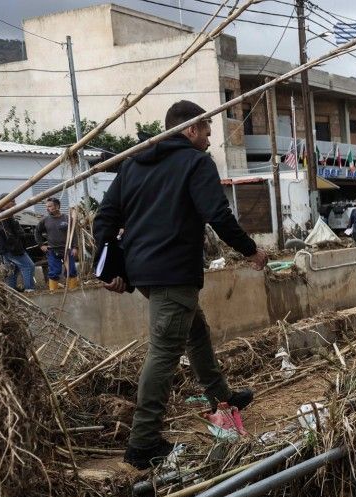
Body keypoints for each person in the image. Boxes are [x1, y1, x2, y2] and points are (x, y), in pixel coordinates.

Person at [94, 100, 268, 470]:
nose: (209, 138)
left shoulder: (132, 165)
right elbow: (217, 214)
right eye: (206, 129)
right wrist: (250, 250)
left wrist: (111, 267)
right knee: (165, 351)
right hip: (173, 272)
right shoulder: (195, 163)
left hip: (144, 274)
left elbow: (105, 218)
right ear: (190, 130)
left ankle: (222, 397)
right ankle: (143, 442)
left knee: (196, 332)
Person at [0, 195, 36, 292]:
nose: (15, 203)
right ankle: (29, 289)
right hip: (12, 248)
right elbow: (8, 235)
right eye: (13, 201)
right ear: (5, 202)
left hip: (6, 248)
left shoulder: (3, 214)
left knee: (12, 269)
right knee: (28, 266)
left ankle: (11, 290)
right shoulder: (2, 216)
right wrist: (17, 248)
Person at [37, 197, 79, 290]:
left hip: (67, 249)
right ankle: (53, 292)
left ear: (57, 206)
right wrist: (41, 245)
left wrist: (75, 247)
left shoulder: (67, 218)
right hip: (52, 250)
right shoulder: (45, 220)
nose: (47, 208)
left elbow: (74, 233)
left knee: (71, 271)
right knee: (54, 272)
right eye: (46, 206)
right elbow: (37, 232)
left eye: (50, 206)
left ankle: (73, 290)